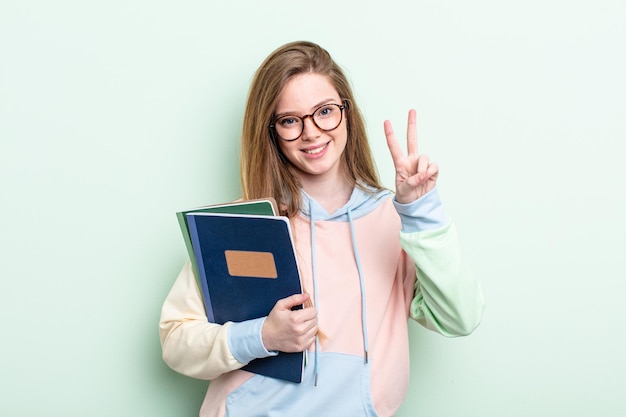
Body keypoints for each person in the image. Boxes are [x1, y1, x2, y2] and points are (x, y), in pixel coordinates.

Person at [160, 40, 485, 417]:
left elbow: (460, 318)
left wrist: (421, 210)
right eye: (290, 120)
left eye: (324, 111)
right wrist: (262, 336)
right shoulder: (243, 224)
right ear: (272, 132)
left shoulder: (397, 221)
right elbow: (176, 341)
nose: (311, 132)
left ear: (346, 113)